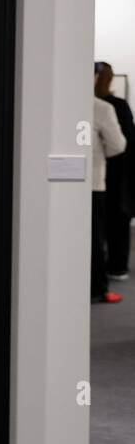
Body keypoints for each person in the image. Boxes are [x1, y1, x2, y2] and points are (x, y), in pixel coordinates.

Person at [96, 62, 134, 280]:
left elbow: (124, 143)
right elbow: (124, 142)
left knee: (109, 219)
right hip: (116, 172)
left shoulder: (108, 106)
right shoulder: (114, 106)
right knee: (116, 219)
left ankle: (112, 266)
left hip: (112, 172)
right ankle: (115, 266)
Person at [92, 88, 127, 303]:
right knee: (94, 238)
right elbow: (117, 145)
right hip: (93, 182)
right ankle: (97, 288)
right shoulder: (102, 108)